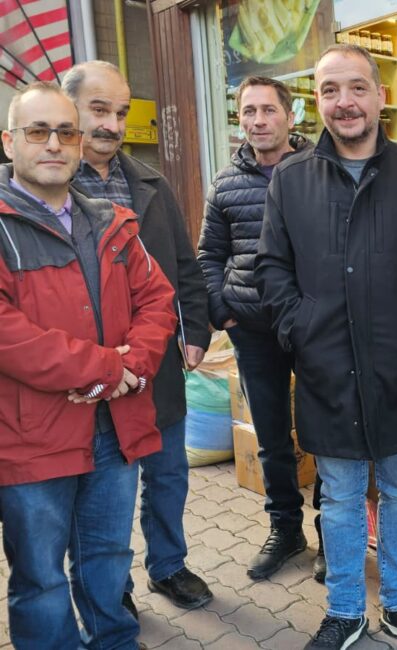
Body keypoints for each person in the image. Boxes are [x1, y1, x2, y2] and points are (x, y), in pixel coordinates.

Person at [256, 43, 397, 650]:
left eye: (357, 88)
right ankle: (344, 612)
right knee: (339, 497)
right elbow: (271, 269)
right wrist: (301, 329)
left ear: (380, 95)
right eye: (330, 91)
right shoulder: (290, 178)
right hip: (326, 368)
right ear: (316, 101)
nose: (345, 102)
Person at [0, 82, 177, 648]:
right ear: (9, 141)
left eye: (66, 132)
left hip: (114, 428)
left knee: (107, 557)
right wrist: (103, 367)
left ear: (79, 145)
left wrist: (136, 365)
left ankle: (115, 641)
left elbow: (158, 300)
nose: (53, 143)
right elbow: (8, 334)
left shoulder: (115, 222)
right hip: (32, 438)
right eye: (37, 131)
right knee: (41, 578)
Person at [63, 60, 215, 613]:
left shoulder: (150, 184)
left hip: (157, 364)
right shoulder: (45, 184)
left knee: (168, 475)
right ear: (69, 107)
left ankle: (168, 566)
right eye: (98, 109)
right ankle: (111, 591)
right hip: (87, 374)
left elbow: (183, 266)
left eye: (121, 112)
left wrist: (195, 329)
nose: (111, 124)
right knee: (105, 492)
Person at [197, 76, 326, 583]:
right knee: (272, 437)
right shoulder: (226, 183)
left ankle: (330, 537)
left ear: (290, 118)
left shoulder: (321, 171)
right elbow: (210, 253)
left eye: (268, 110)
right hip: (252, 329)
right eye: (248, 111)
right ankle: (286, 529)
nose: (257, 121)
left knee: (327, 437)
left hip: (315, 328)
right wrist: (220, 308)